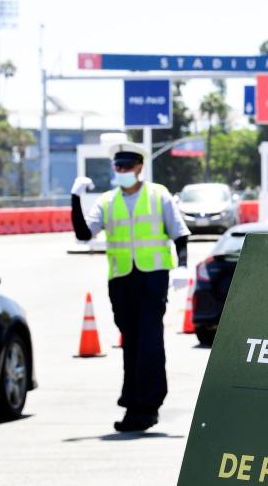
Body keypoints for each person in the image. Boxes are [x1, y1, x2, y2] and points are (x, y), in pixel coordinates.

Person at [70, 141, 191, 432]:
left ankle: (147, 405)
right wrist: (74, 198)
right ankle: (134, 405)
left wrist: (183, 266)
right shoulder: (108, 201)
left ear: (139, 167)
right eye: (117, 166)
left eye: (127, 166)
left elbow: (180, 233)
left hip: (152, 277)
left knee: (149, 340)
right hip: (122, 280)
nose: (121, 171)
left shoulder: (158, 195)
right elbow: (84, 234)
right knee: (131, 343)